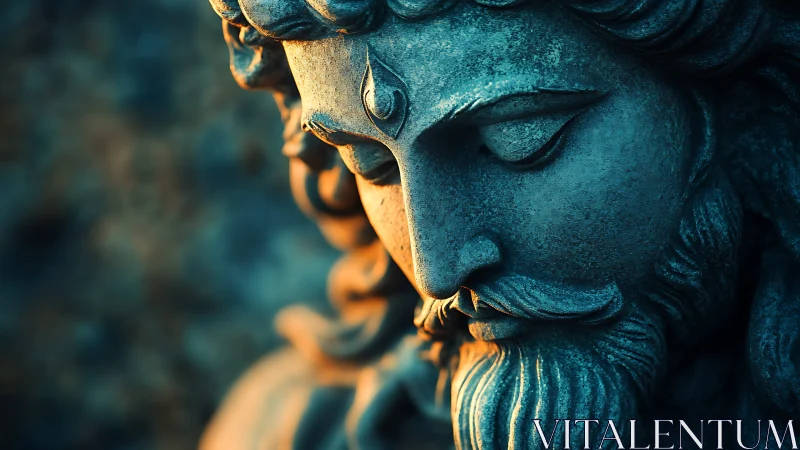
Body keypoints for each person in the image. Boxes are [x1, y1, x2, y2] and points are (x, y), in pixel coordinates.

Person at [201, 1, 800, 448]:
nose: (438, 269)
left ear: (748, 109)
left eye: (519, 141)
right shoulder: (296, 429)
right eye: (373, 164)